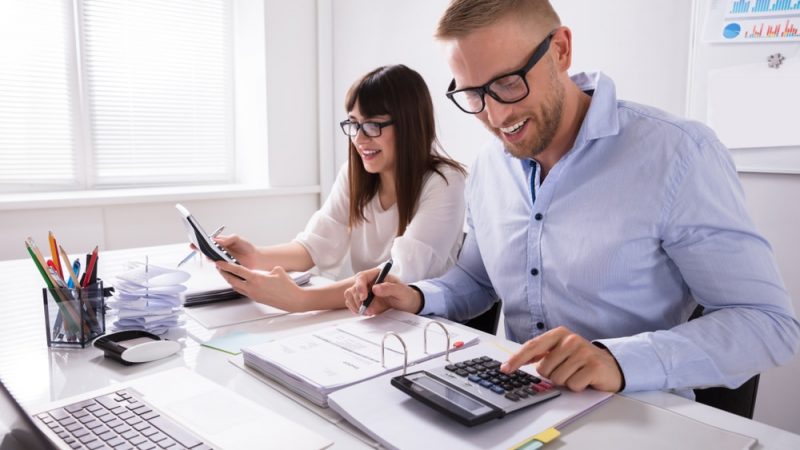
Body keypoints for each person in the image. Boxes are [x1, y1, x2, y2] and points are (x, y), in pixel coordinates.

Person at [344, 0, 800, 397]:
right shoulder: (488, 168)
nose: (495, 114)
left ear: (560, 50)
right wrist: (416, 296)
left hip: (639, 414)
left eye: (506, 83)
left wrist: (618, 360)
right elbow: (477, 281)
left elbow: (768, 324)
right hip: (515, 402)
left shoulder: (678, 154)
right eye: (473, 94)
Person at [215, 64, 467, 313]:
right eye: (354, 124)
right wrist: (255, 256)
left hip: (428, 327)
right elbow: (316, 245)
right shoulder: (353, 173)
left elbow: (401, 272)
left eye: (372, 125)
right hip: (372, 318)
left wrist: (301, 299)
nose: (358, 138)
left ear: (409, 124)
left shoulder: (445, 181)